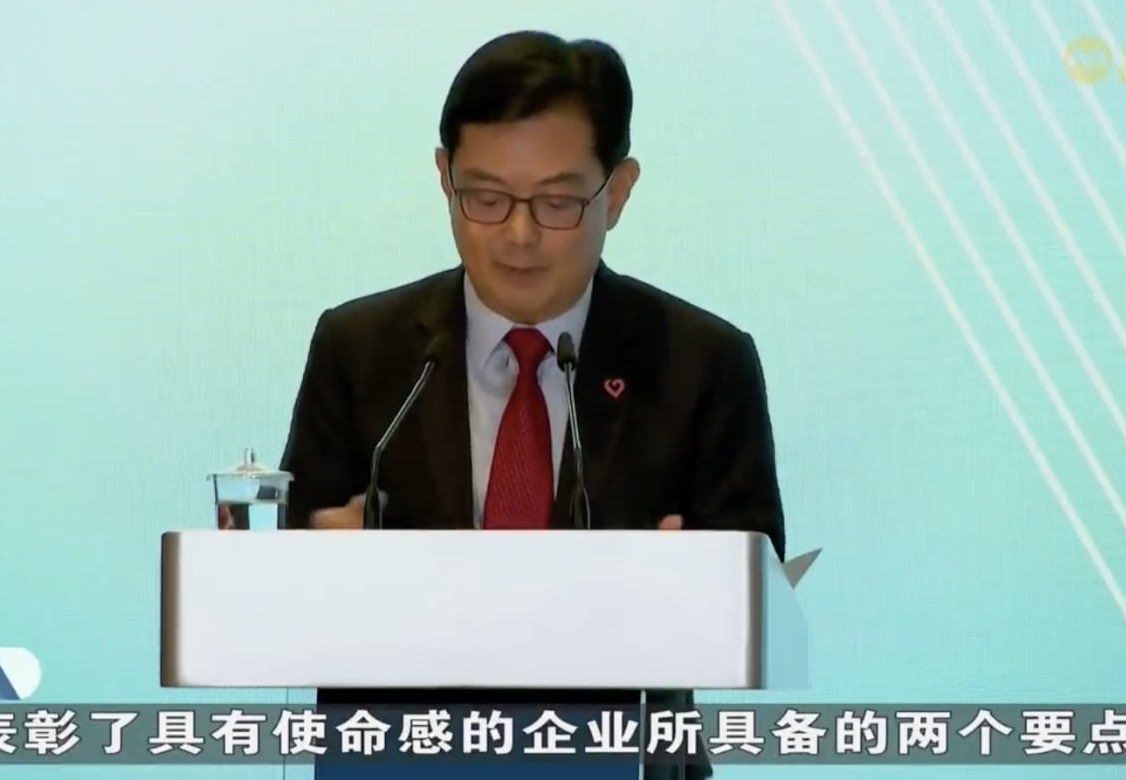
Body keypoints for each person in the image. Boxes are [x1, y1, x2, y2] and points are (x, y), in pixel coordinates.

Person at [280, 29, 785, 780]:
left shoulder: (700, 361)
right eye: (485, 198)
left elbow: (758, 605)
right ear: (444, 179)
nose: (518, 236)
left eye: (557, 202)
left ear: (617, 192)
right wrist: (319, 566)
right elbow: (286, 595)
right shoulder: (360, 350)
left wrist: (696, 587)